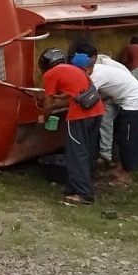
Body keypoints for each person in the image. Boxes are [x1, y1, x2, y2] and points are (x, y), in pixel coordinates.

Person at [37, 48, 106, 206]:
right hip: (97, 112)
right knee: (85, 151)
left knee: (76, 154)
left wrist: (43, 118)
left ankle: (84, 194)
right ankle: (74, 187)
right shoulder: (75, 70)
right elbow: (74, 95)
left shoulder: (51, 74)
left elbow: (48, 103)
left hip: (80, 116)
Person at [78, 43, 138, 186]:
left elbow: (87, 97)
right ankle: (124, 167)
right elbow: (103, 94)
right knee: (125, 135)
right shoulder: (100, 68)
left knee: (129, 139)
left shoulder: (96, 75)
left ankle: (127, 175)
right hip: (131, 100)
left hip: (135, 103)